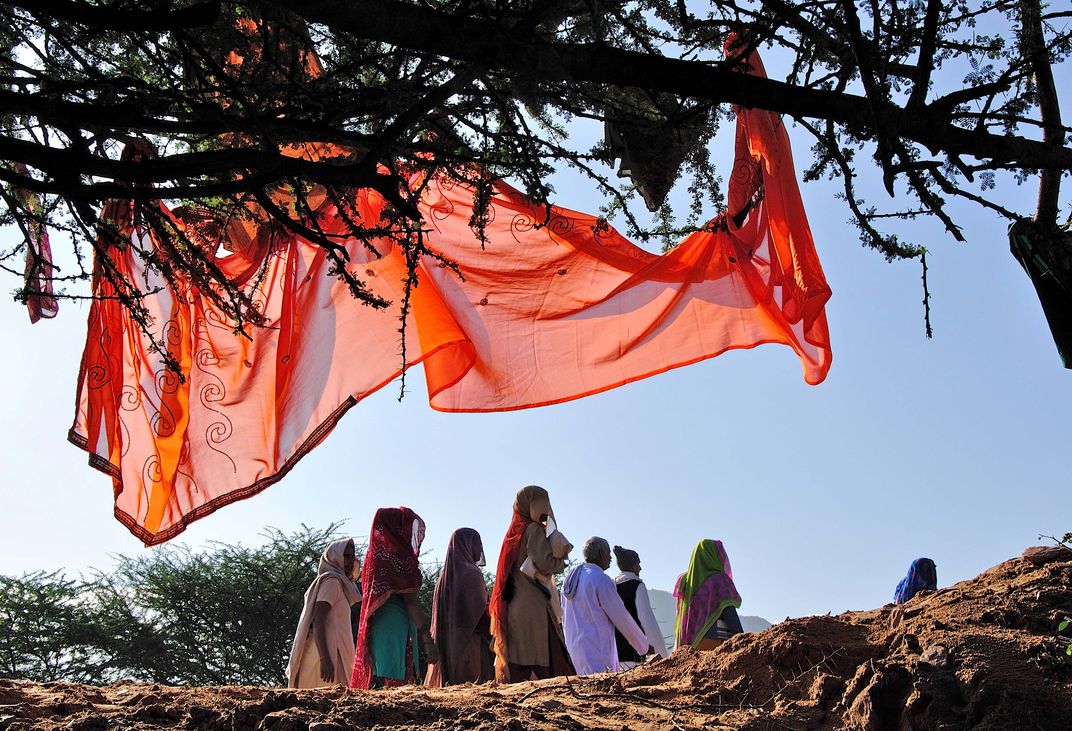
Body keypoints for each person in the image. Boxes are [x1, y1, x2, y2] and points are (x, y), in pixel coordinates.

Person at [489, 485, 575, 683]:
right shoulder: (533, 529)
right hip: (532, 605)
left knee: (518, 662)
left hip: (514, 605)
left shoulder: (514, 530)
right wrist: (561, 561)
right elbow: (544, 564)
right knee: (548, 662)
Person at [350, 507, 438, 689]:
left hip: (379, 626)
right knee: (398, 684)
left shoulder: (373, 557)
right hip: (397, 625)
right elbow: (411, 600)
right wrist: (427, 640)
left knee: (383, 681)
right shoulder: (399, 556)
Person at [561, 537, 649, 676]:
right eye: (608, 554)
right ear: (601, 554)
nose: (610, 558)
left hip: (575, 650)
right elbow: (622, 618)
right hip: (597, 651)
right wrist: (644, 647)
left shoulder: (572, 579)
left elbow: (564, 618)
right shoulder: (600, 579)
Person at [286, 538, 361, 687]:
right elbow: (318, 619)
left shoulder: (339, 582)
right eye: (346, 556)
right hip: (326, 655)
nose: (351, 560)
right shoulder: (332, 582)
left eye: (352, 556)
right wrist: (325, 658)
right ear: (335, 557)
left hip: (332, 652)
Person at [424, 527, 494, 686]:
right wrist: (494, 636)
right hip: (469, 645)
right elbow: (479, 614)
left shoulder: (443, 577)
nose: (479, 550)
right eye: (477, 544)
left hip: (447, 644)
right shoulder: (471, 574)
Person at [674, 539, 743, 650]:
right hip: (716, 642)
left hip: (692, 645)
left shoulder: (686, 581)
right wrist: (743, 638)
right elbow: (729, 612)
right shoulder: (719, 579)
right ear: (714, 556)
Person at [612, 545, 669, 668]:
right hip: (634, 654)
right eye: (638, 564)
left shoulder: (611, 586)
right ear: (633, 566)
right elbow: (647, 620)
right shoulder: (637, 586)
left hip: (613, 655)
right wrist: (662, 654)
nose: (640, 568)